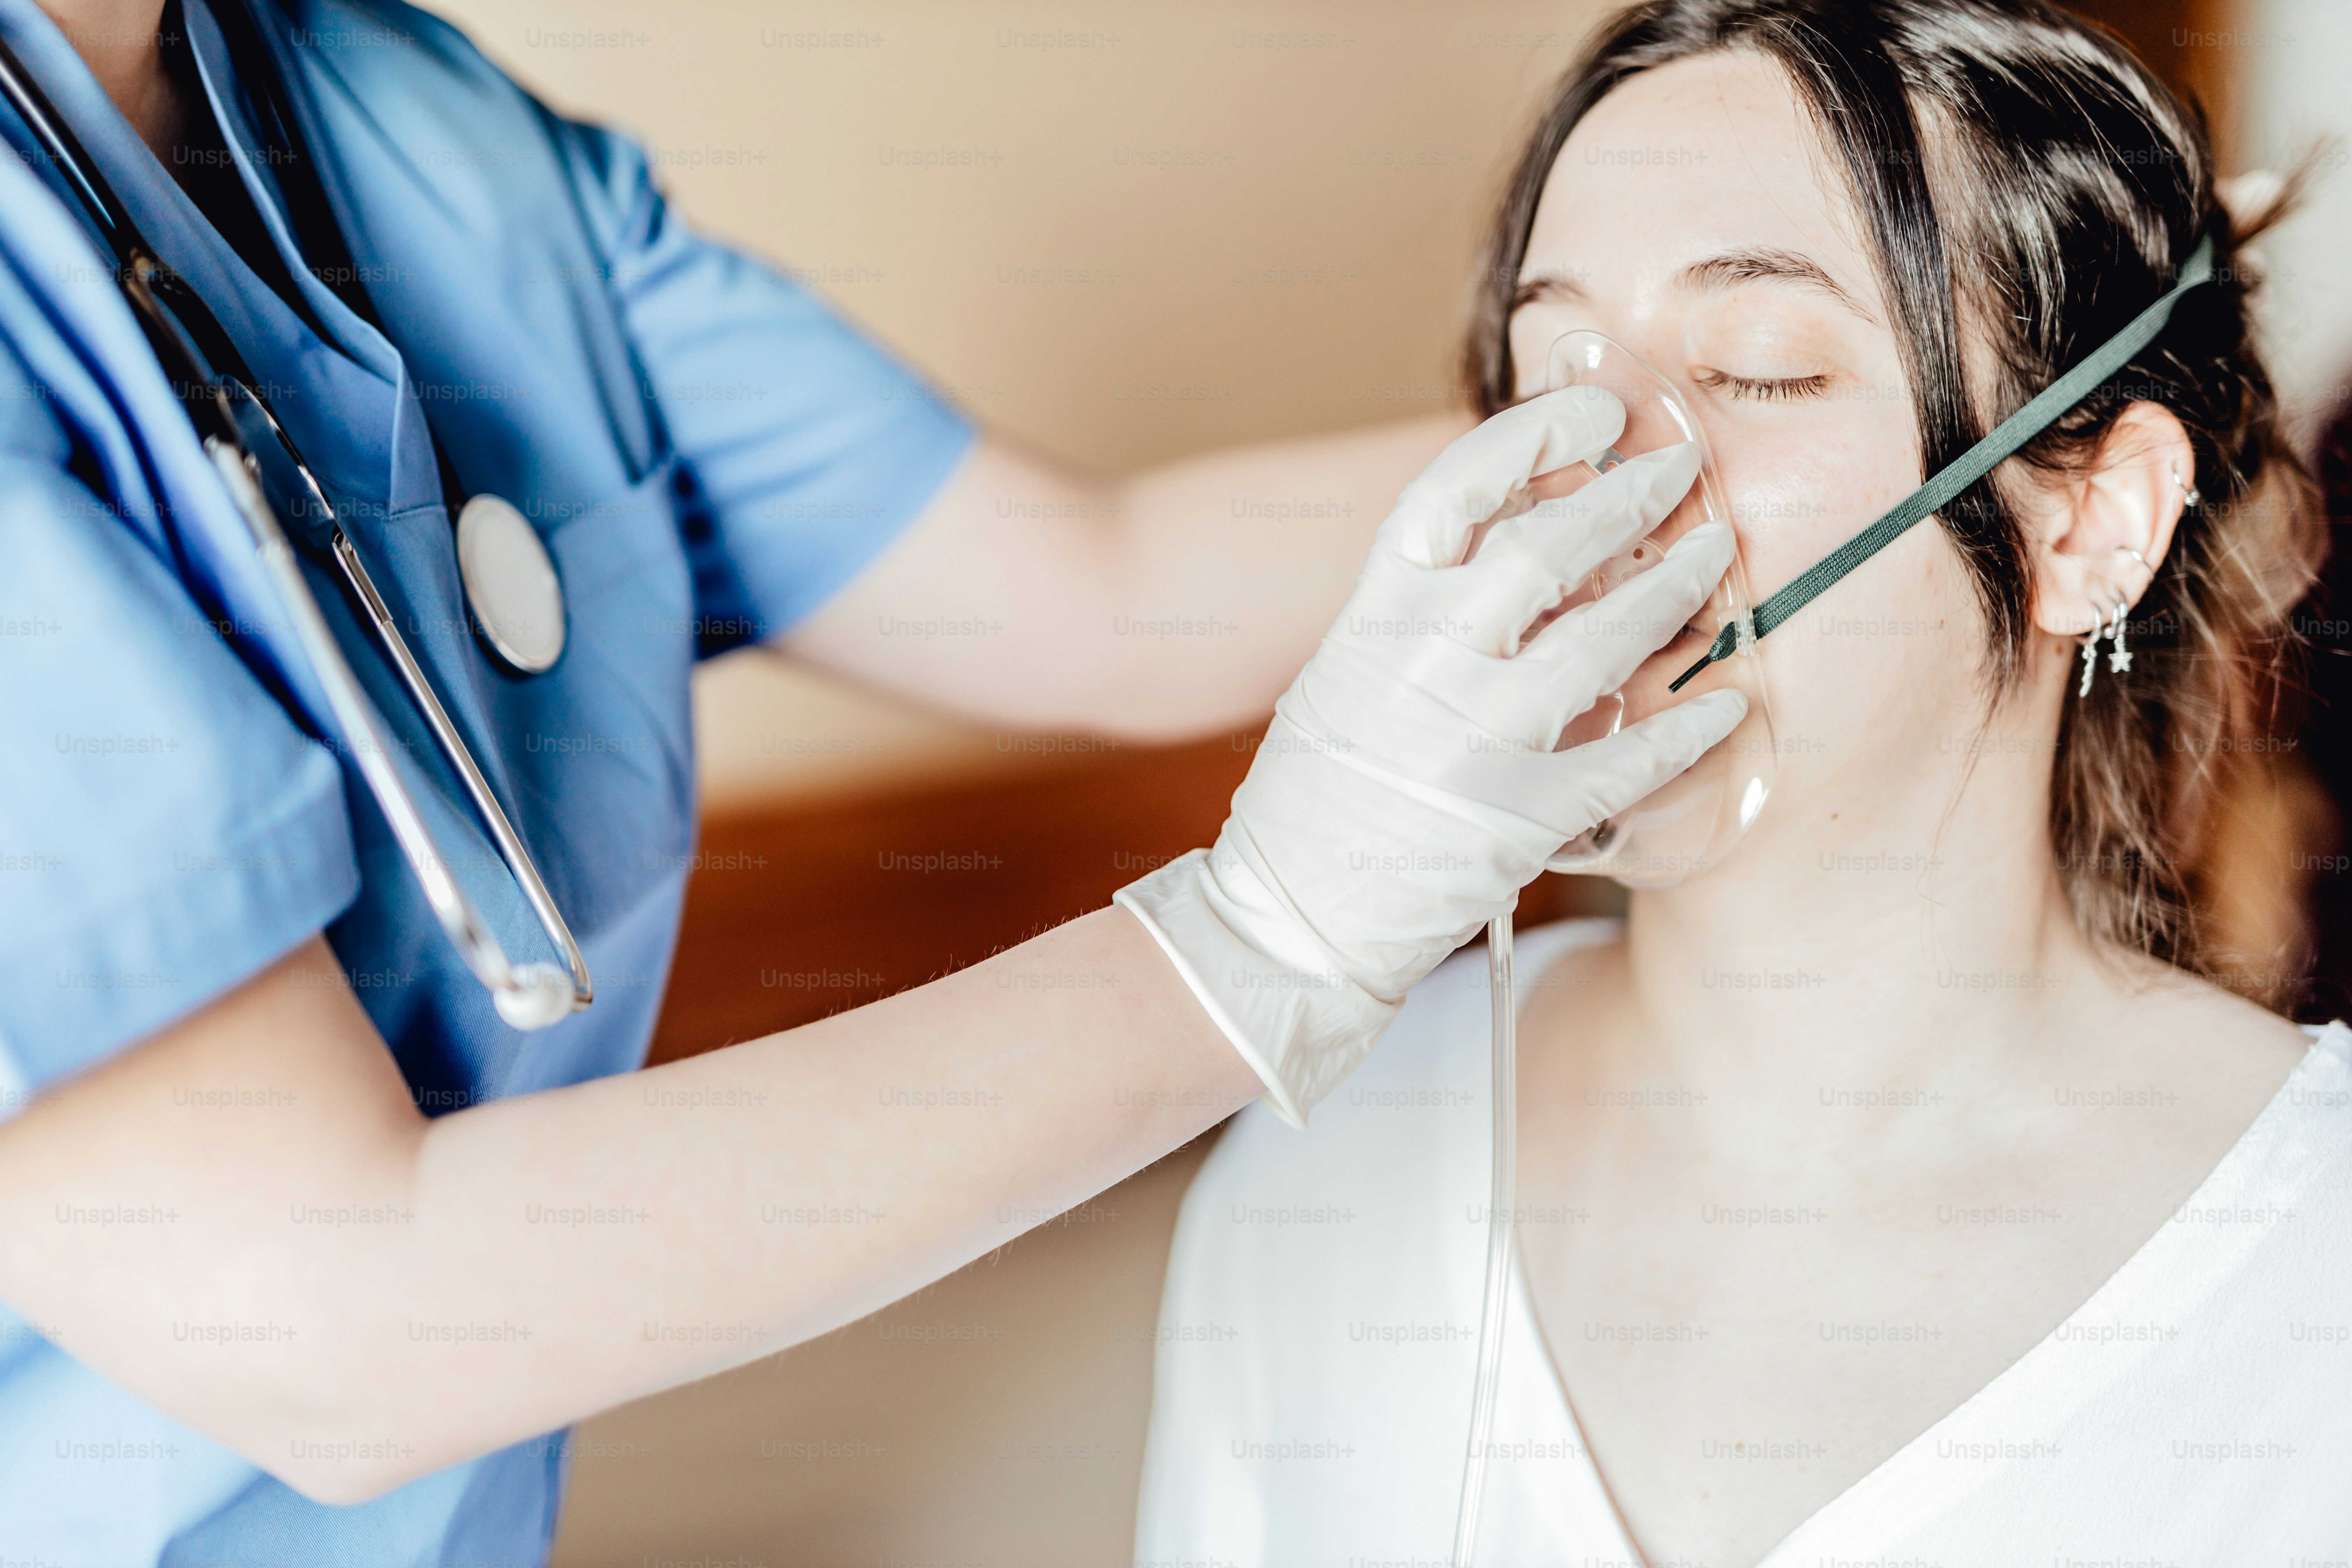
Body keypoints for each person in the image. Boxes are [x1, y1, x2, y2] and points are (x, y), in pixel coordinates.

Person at [0, 0, 1753, 1559]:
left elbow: (1098, 591)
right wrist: (1255, 947)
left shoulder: (391, 110)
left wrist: (1681, 452)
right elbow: (331, 1327)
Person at [1135, 2, 2352, 1563]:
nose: (1585, 481)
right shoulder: (1335, 1146)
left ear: (2092, 521)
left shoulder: (2311, 1279)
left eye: (1761, 370)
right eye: (1542, 372)